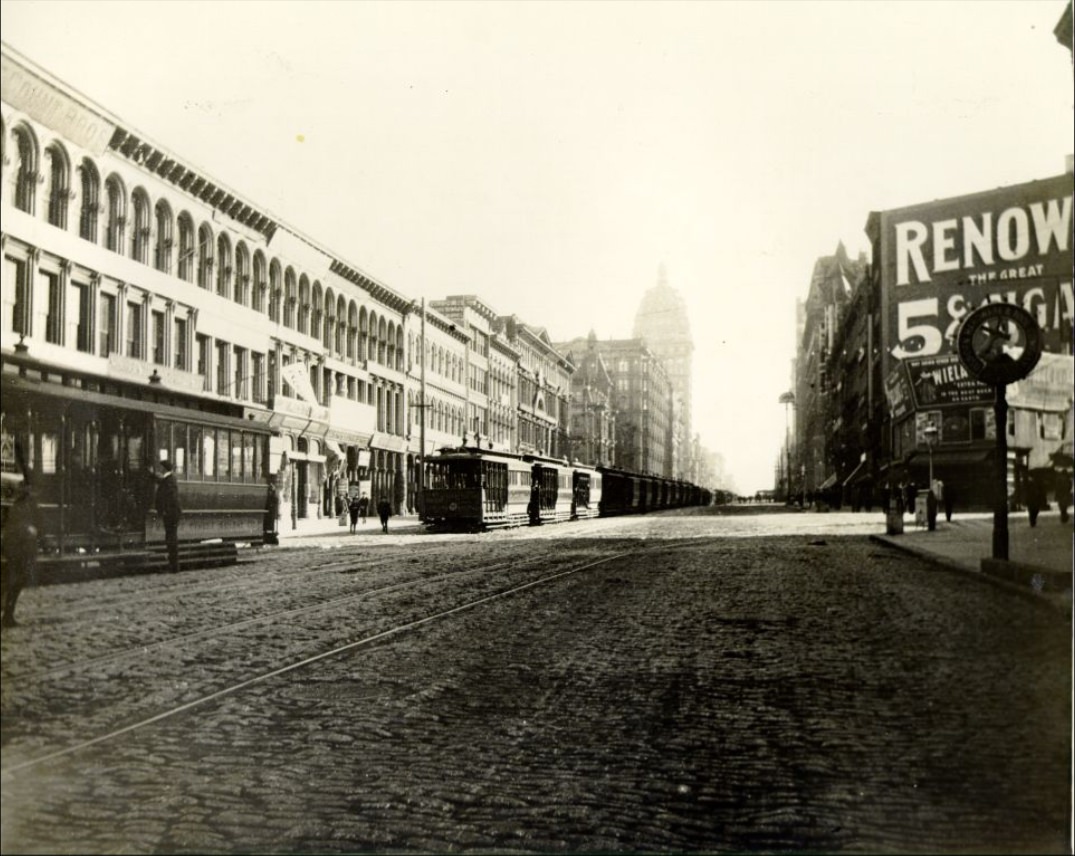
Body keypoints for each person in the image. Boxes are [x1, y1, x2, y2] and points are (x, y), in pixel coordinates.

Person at [2, 479, 40, 629]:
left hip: (19, 549)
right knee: (15, 582)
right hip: (16, 549)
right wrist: (28, 529)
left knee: (16, 582)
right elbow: (16, 526)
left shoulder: (23, 504)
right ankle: (7, 616)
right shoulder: (19, 506)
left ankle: (8, 615)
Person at [154, 459, 182, 572]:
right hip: (172, 513)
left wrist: (165, 510)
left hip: (171, 514)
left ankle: (174, 565)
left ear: (164, 469)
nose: (159, 470)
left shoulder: (170, 480)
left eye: (160, 468)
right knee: (170, 538)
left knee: (171, 539)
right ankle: (173, 565)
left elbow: (170, 497)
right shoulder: (169, 479)